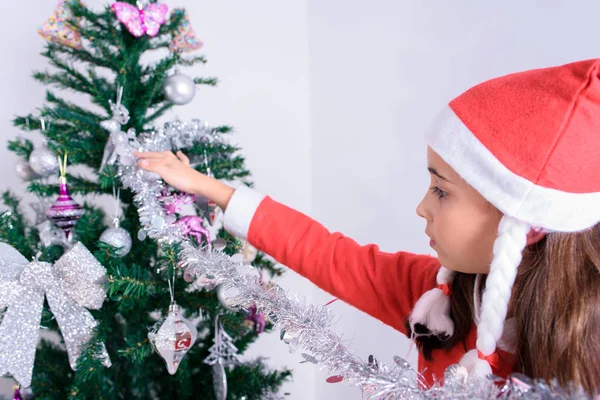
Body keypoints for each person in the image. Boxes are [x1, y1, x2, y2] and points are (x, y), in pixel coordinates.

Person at [135, 59, 600, 395]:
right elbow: (323, 252)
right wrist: (205, 186)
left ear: (527, 223)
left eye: (441, 191)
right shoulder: (434, 298)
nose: (422, 208)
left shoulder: (586, 345)